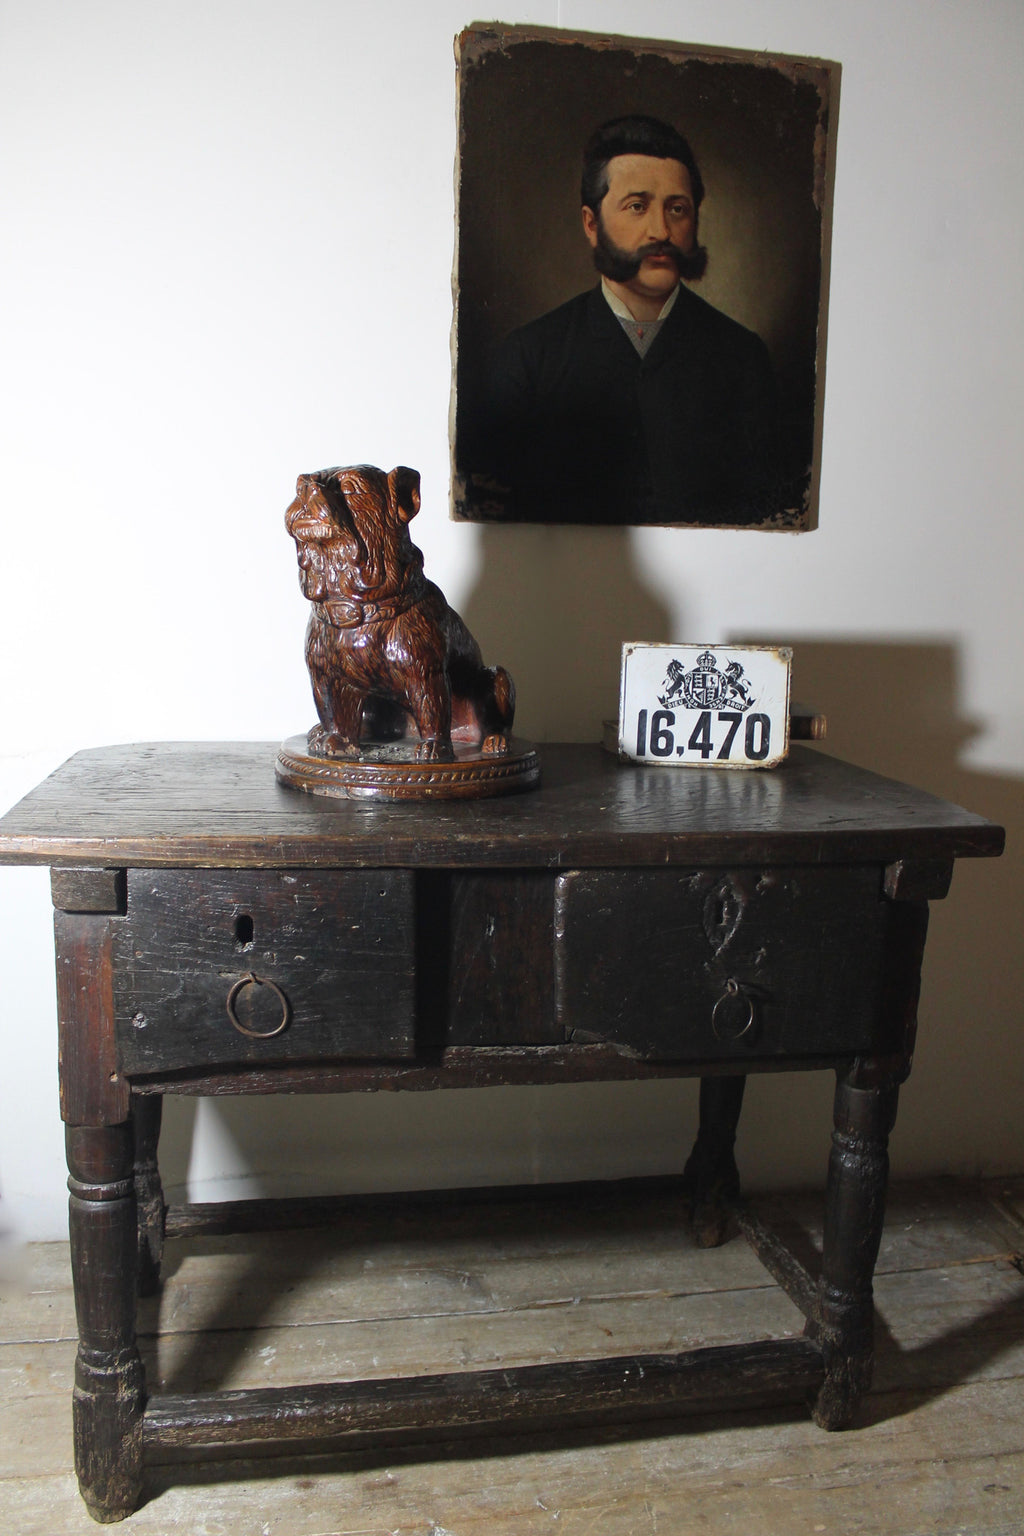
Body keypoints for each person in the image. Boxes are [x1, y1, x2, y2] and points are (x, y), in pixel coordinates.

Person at [466, 115, 784, 525]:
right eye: (637, 206)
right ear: (591, 224)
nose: (661, 231)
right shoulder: (529, 358)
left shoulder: (743, 358)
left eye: (678, 208)